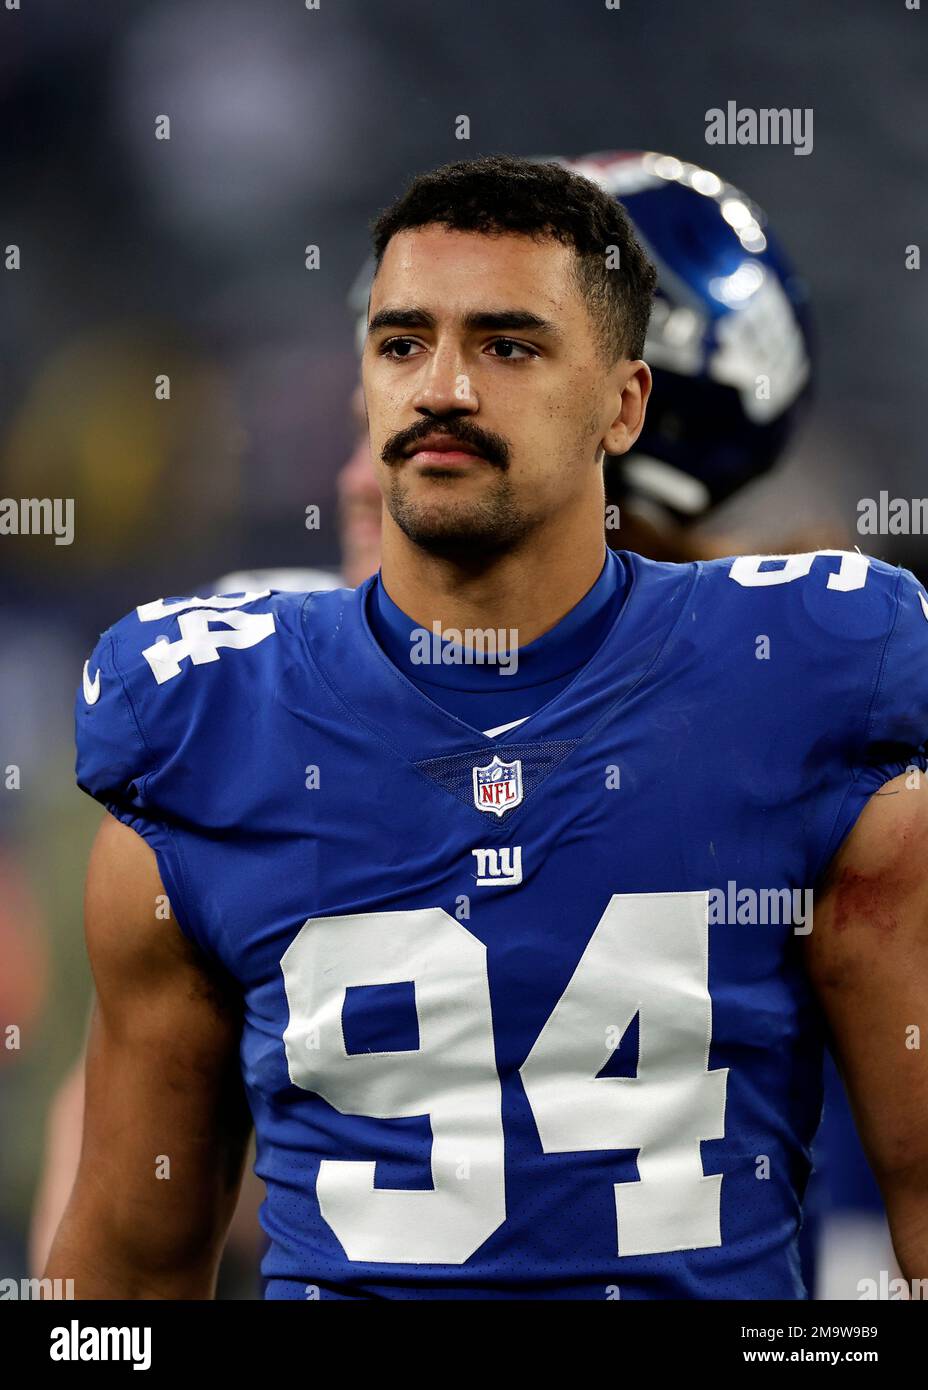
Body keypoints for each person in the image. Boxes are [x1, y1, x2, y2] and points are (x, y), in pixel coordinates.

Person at [46, 155, 928, 1299]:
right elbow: (120, 1271)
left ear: (625, 403)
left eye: (508, 345)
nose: (442, 390)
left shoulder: (804, 695)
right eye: (402, 343)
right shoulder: (212, 723)